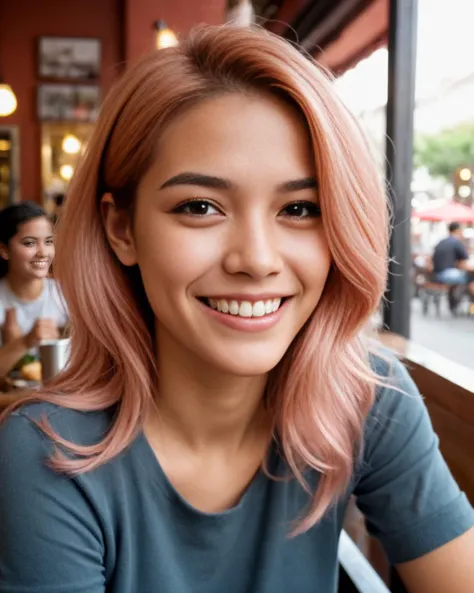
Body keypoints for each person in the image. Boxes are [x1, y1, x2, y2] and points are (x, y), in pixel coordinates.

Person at [0, 25, 473, 593]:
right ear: (121, 228)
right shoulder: (44, 451)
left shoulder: (367, 402)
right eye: (200, 206)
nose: (256, 259)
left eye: (299, 208)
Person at [0, 202, 68, 378]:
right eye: (29, 243)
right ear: (4, 250)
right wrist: (25, 342)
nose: (43, 252)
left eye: (48, 242)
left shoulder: (66, 297)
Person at [432, 221, 474, 311]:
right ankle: (470, 306)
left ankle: (454, 303)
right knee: (470, 278)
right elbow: (464, 260)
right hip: (447, 274)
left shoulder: (441, 241)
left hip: (437, 274)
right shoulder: (456, 242)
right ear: (457, 230)